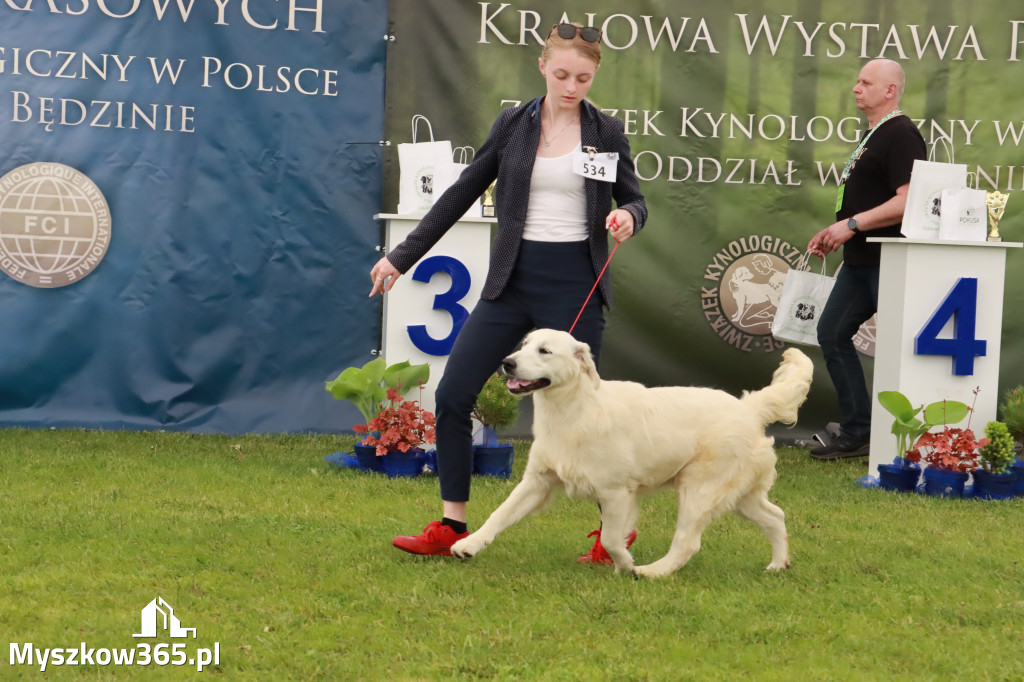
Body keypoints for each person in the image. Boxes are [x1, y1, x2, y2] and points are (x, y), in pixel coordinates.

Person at [369, 23, 648, 558]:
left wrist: (627, 217)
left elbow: (636, 200)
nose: (571, 86)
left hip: (576, 284)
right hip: (511, 281)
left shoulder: (607, 132)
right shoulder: (513, 124)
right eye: (562, 74)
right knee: (452, 396)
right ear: (543, 66)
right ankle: (452, 526)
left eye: (583, 78)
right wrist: (401, 257)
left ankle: (614, 534)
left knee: (593, 418)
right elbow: (461, 192)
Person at [806, 59, 926, 460]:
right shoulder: (876, 134)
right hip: (861, 258)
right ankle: (858, 430)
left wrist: (852, 224)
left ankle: (911, 439)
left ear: (890, 91)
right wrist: (837, 231)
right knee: (832, 332)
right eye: (858, 81)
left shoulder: (902, 134)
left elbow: (907, 202)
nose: (856, 88)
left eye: (866, 82)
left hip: (886, 258)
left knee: (898, 347)